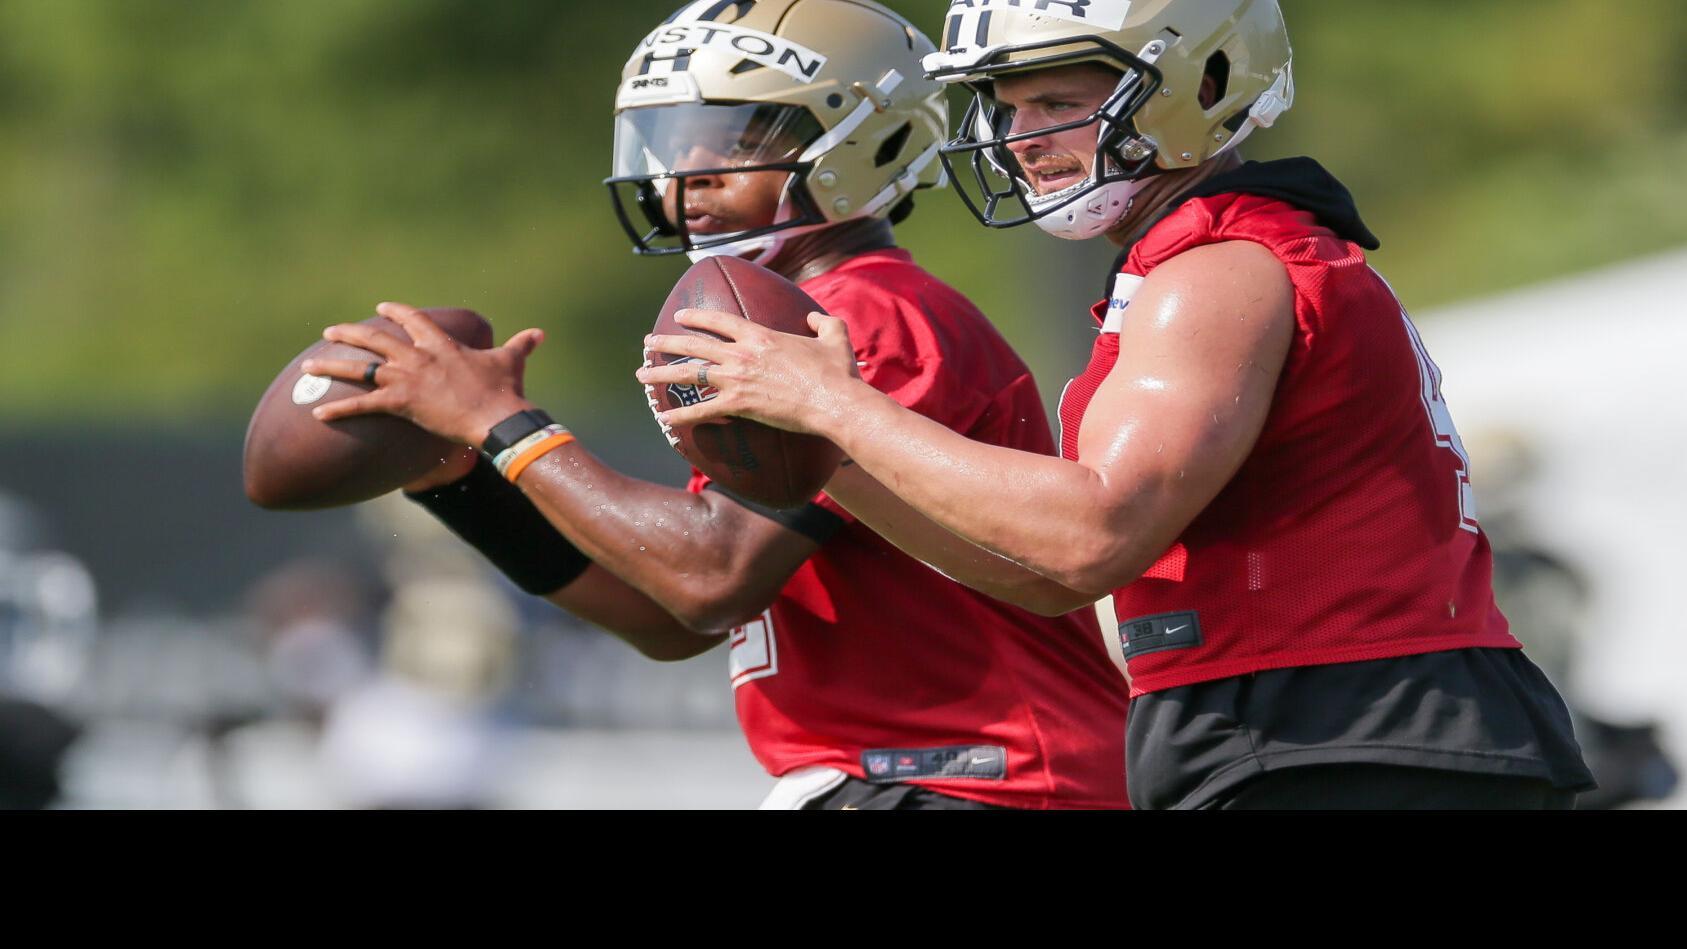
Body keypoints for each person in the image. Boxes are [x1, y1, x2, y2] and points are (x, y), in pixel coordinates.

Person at [638, 0, 1595, 808]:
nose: (1021, 140)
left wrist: (839, 408)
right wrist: (829, 447)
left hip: (1348, 730)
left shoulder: (1215, 268)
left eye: (1055, 101)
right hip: (1303, 727)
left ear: (1203, 85)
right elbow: (1048, 579)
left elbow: (1092, 532)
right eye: (1006, 108)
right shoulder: (1190, 265)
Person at [300, 0, 1128, 810]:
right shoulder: (774, 324)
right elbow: (668, 617)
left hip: (984, 774)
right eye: (668, 141)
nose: (684, 170)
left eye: (733, 137)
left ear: (868, 142)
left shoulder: (863, 315)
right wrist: (459, 478)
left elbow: (709, 577)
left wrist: (497, 422)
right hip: (907, 771)